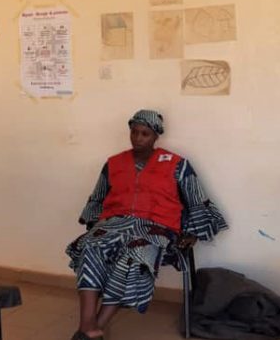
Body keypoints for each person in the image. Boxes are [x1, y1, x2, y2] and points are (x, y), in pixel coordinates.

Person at [66, 110, 227, 340]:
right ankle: (87, 326)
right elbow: (98, 197)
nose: (138, 138)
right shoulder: (114, 163)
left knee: (134, 256)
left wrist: (193, 232)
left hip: (155, 228)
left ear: (155, 137)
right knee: (91, 247)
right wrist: (94, 224)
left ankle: (92, 328)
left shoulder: (176, 164)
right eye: (134, 132)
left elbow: (196, 199)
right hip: (114, 224)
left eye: (145, 134)